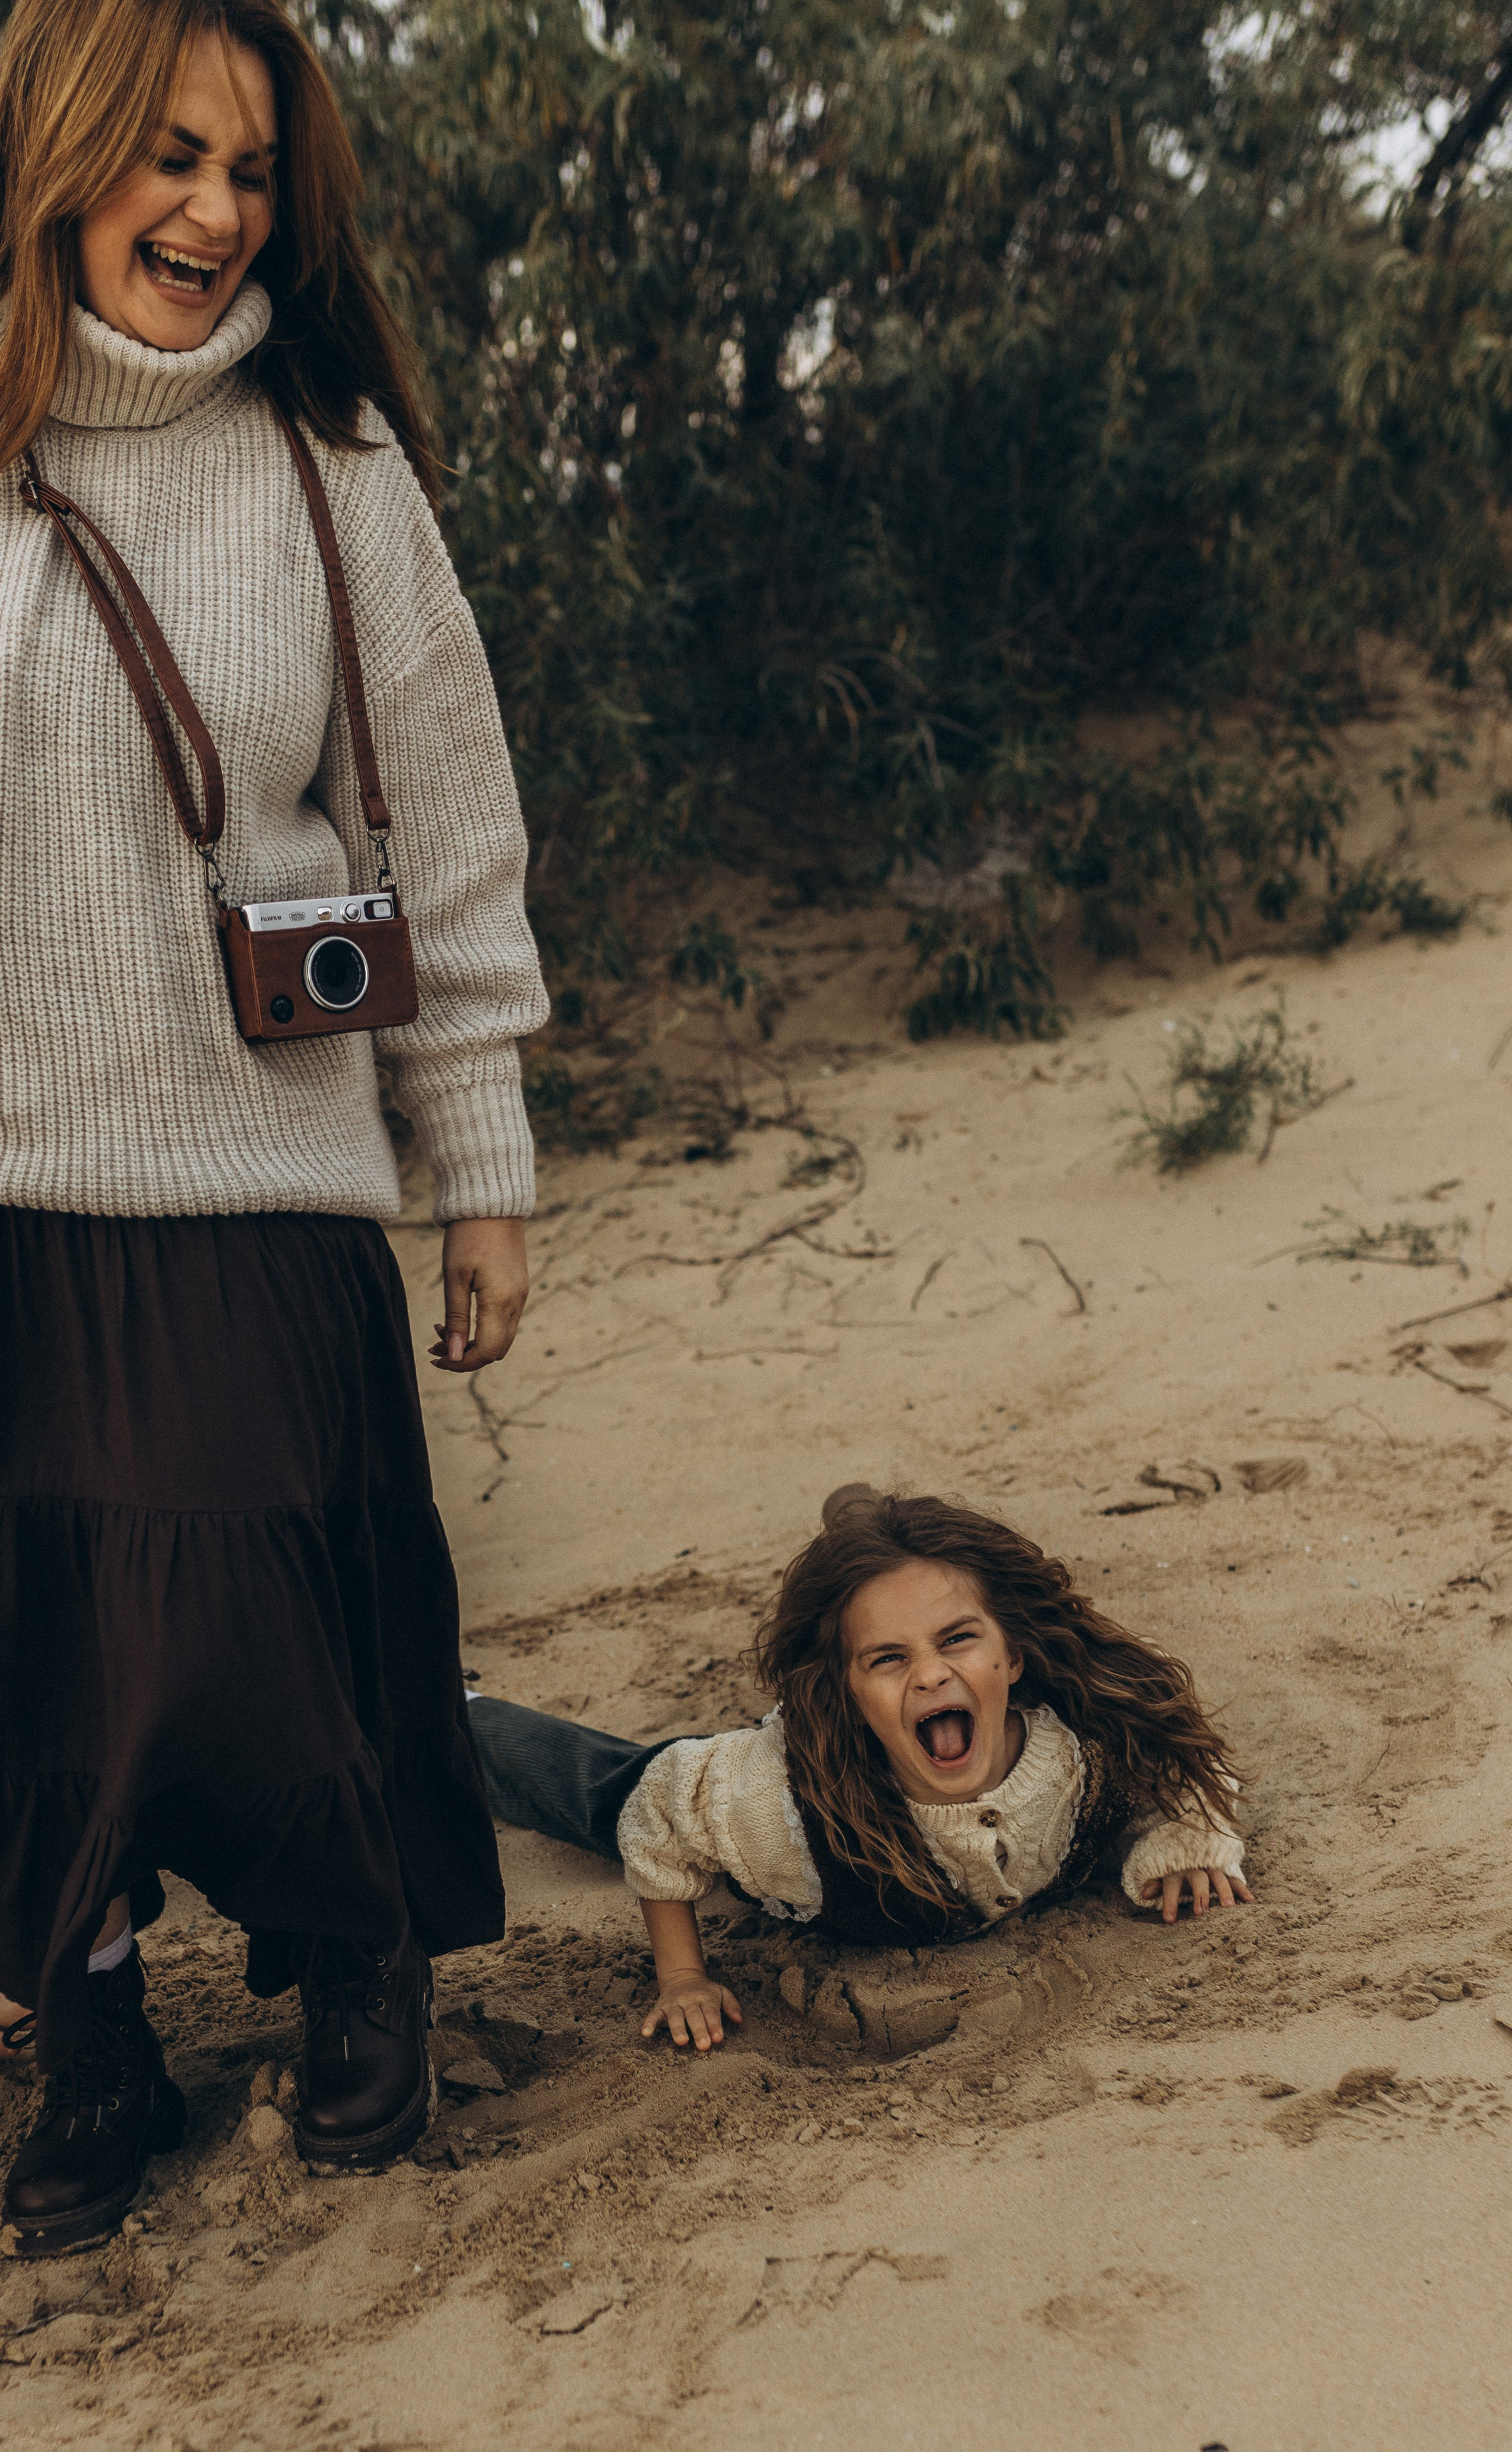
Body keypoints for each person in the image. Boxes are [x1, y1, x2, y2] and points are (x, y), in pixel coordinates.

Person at [0, 0, 551, 2255]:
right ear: (51, 159)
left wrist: (481, 1157)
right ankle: (92, 2034)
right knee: (28, 1656)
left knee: (246, 1623)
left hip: (252, 1177)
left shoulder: (330, 466)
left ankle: (350, 1964)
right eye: (168, 158)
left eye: (248, 171)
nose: (215, 212)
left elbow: (448, 823)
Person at [467, 1487, 1252, 2054]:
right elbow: (662, 1819)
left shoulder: (1085, 1752)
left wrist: (1186, 1849)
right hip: (814, 1775)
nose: (930, 1676)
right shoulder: (768, 1801)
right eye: (888, 1659)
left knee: (882, 1575)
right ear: (849, 1690)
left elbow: (1176, 1767)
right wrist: (682, 1977)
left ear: (1012, 1655)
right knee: (601, 1789)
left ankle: (859, 1521)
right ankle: (455, 1714)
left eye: (958, 1641)